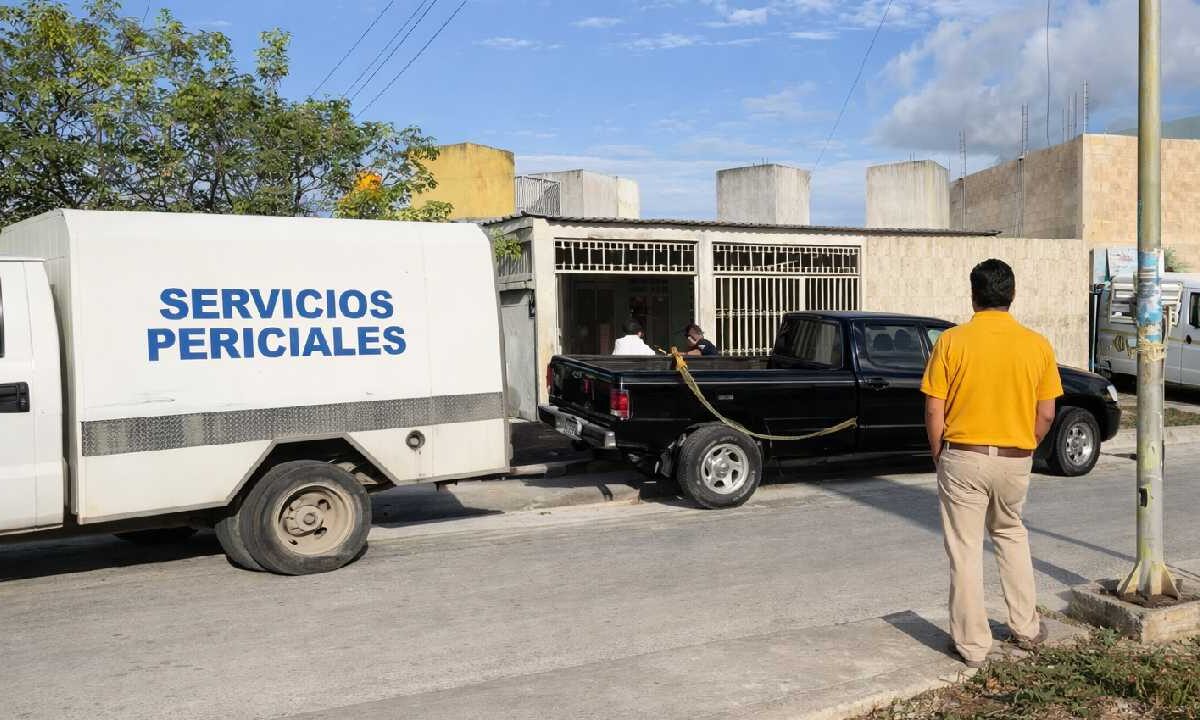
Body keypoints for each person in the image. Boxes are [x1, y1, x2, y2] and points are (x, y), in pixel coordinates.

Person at [920, 258, 1061, 669]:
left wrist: (939, 454)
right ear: (1012, 294)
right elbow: (1047, 413)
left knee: (965, 550)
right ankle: (1026, 628)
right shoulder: (1037, 345)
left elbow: (934, 409)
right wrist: (1026, 445)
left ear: (973, 295)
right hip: (1016, 459)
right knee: (1011, 535)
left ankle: (973, 646)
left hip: (964, 456)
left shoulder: (952, 342)